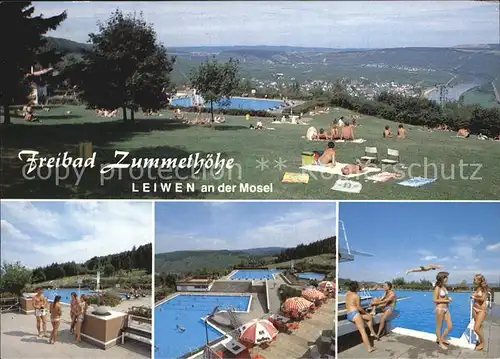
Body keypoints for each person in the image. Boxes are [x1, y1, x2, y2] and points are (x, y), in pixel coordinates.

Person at [346, 281, 377, 352]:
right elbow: (359, 308)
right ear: (356, 288)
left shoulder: (348, 294)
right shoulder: (357, 296)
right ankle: (369, 348)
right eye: (358, 287)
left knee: (369, 318)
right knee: (363, 332)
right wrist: (365, 312)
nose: (359, 288)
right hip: (355, 314)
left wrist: (367, 315)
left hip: (349, 315)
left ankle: (372, 332)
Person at [433, 272, 453, 350]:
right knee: (439, 327)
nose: (447, 279)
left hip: (446, 309)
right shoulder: (437, 288)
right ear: (442, 278)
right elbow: (435, 300)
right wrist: (447, 301)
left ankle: (443, 338)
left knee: (450, 326)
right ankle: (440, 343)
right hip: (440, 309)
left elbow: (444, 298)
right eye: (446, 277)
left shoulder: (444, 287)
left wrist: (448, 299)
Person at [472, 274, 488, 351]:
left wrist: (474, 297)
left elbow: (482, 299)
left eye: (475, 279)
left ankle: (483, 343)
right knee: (479, 327)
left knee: (476, 328)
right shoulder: (478, 288)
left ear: (479, 280)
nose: (473, 280)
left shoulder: (484, 289)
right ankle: (481, 341)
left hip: (481, 310)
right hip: (475, 308)